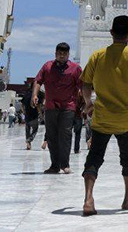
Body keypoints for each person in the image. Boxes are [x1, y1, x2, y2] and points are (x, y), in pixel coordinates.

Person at [80, 15, 128, 216]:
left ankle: (88, 199)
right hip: (126, 120)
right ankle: (127, 200)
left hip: (102, 118)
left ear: (111, 32)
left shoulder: (97, 56)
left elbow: (85, 83)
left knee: (94, 157)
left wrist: (88, 103)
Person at [33, 41, 83, 175]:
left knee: (65, 135)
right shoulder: (47, 66)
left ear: (68, 54)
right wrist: (35, 95)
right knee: (52, 136)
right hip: (50, 106)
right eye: (59, 54)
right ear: (55, 54)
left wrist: (84, 102)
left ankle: (65, 164)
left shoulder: (75, 68)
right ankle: (54, 165)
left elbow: (82, 85)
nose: (62, 56)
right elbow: (38, 80)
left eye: (64, 54)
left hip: (68, 106)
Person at [24, 81, 43, 150]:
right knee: (35, 129)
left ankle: (28, 144)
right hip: (34, 116)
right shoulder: (38, 95)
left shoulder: (26, 94)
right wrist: (41, 114)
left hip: (27, 115)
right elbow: (38, 106)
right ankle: (29, 140)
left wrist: (24, 112)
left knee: (27, 130)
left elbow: (22, 105)